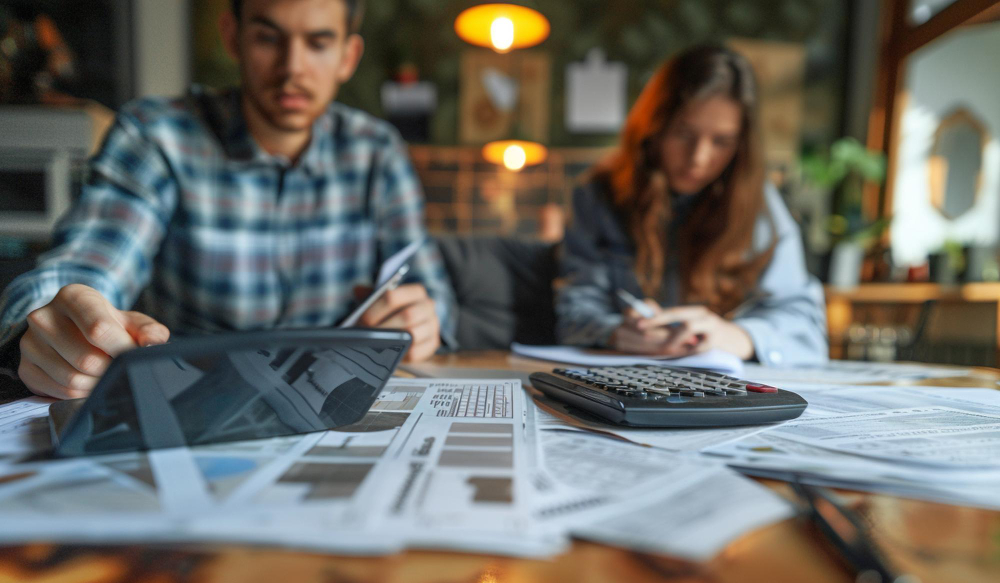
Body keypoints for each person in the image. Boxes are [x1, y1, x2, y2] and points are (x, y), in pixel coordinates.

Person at [0, 0, 456, 400]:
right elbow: (85, 265)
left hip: (334, 401)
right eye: (267, 37)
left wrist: (423, 318)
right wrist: (43, 325)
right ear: (233, 37)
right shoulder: (158, 135)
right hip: (188, 403)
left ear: (347, 56)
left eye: (318, 42)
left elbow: (431, 294)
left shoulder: (378, 151)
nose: (293, 67)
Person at [556, 45, 827, 366]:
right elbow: (574, 309)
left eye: (722, 141)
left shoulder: (759, 205)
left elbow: (807, 328)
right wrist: (617, 332)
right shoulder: (598, 195)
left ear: (741, 145)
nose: (698, 158)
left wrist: (734, 337)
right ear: (653, 128)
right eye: (684, 133)